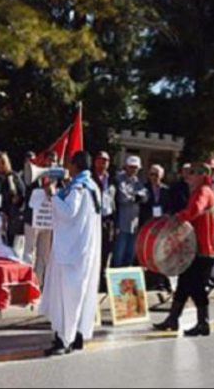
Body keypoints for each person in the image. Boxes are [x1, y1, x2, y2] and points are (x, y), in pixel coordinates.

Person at [40, 152, 102, 356]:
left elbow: (68, 212)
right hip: (84, 249)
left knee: (66, 296)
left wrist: (53, 194)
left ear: (75, 165)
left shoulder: (78, 187)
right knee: (80, 295)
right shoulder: (92, 186)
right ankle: (77, 336)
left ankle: (63, 340)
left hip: (71, 252)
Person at [154, 163, 214, 337]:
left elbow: (195, 209)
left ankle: (203, 323)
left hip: (201, 250)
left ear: (201, 175)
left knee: (196, 287)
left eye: (191, 174)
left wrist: (178, 217)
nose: (187, 177)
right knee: (183, 285)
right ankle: (173, 319)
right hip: (195, 249)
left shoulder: (203, 191)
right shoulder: (202, 190)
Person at [23, 151, 59, 286]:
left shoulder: (57, 178)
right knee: (29, 253)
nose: (51, 162)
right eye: (49, 159)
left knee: (43, 255)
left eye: (54, 160)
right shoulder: (35, 174)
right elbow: (27, 193)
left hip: (48, 221)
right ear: (44, 160)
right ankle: (26, 284)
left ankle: (37, 284)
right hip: (33, 220)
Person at [112, 155, 149, 268]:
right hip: (122, 223)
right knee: (119, 255)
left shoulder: (138, 181)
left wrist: (136, 197)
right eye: (131, 167)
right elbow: (122, 197)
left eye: (136, 168)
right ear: (126, 167)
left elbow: (146, 196)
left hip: (134, 224)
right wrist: (136, 197)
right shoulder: (119, 179)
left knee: (130, 255)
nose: (133, 170)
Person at [0, 152, 26, 247]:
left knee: (8, 243)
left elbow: (22, 193)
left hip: (9, 214)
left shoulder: (12, 176)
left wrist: (17, 199)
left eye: (2, 162)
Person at [92, 151, 116, 292]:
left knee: (105, 252)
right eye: (101, 159)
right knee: (93, 252)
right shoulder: (90, 178)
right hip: (94, 219)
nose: (103, 162)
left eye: (106, 160)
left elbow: (113, 201)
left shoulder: (112, 180)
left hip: (108, 220)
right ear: (95, 161)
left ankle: (102, 282)